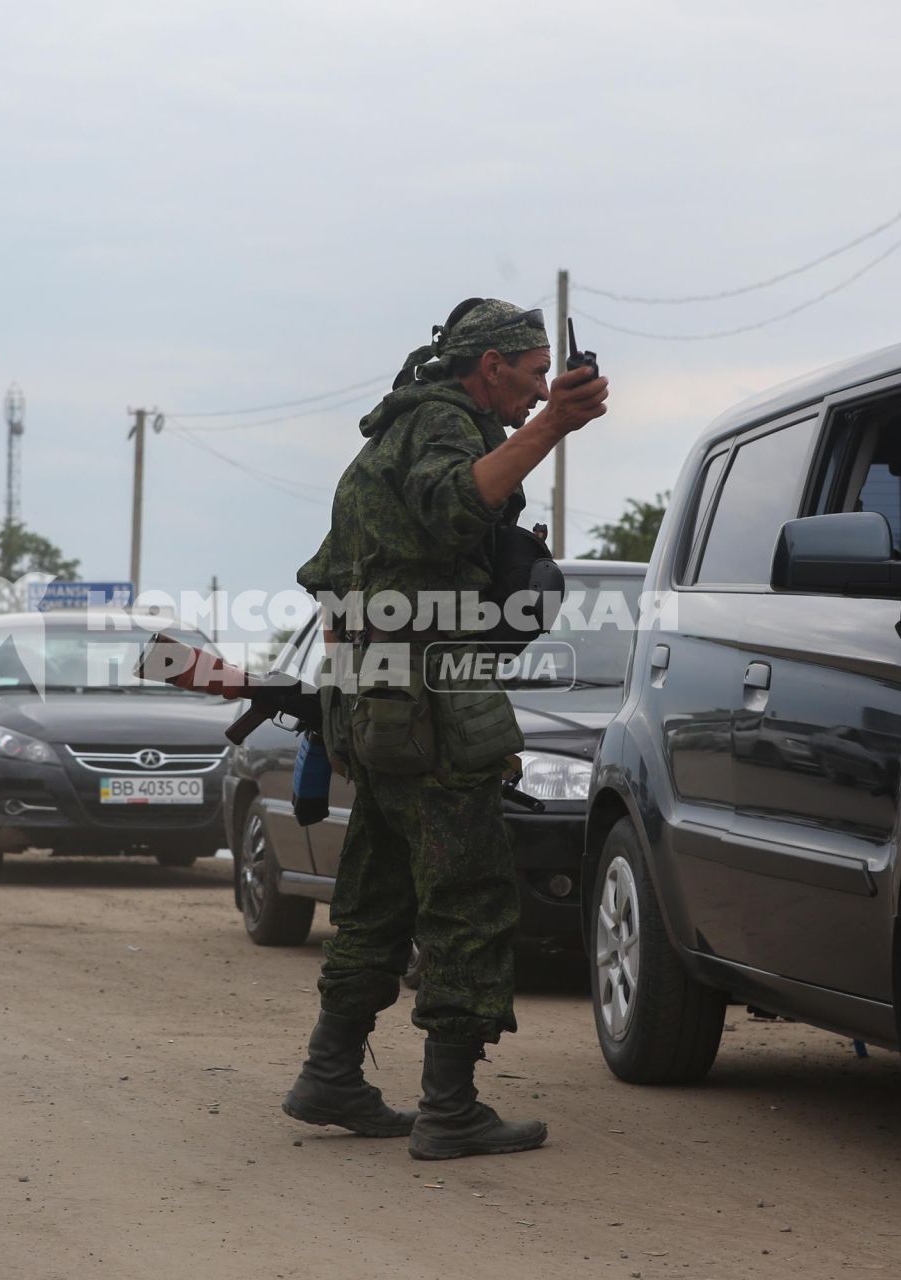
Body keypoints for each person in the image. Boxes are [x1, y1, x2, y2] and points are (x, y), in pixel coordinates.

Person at [283, 298, 608, 1159]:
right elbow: (453, 506)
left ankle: (331, 1074)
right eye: (533, 376)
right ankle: (450, 1109)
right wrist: (558, 428)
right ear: (489, 365)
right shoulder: (440, 426)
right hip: (428, 697)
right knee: (470, 899)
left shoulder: (400, 427)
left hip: (371, 692)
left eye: (550, 382)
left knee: (380, 892)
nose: (538, 394)